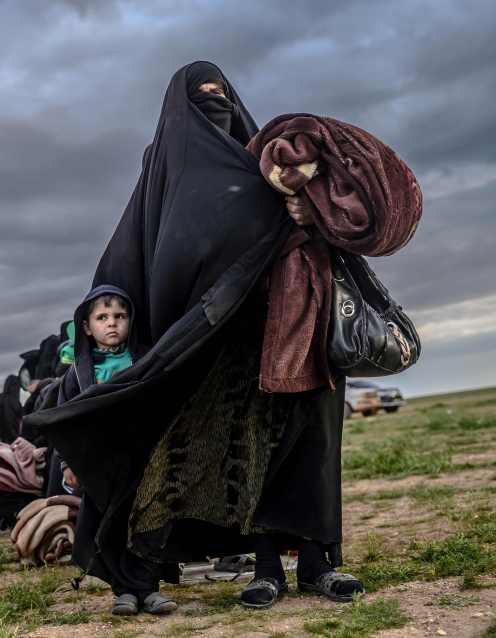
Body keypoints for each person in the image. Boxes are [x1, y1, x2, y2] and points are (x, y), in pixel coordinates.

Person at [24, 61, 363, 613]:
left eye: (221, 93)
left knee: (315, 447)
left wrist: (307, 209)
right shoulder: (165, 167)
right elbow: (152, 251)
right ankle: (267, 567)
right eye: (200, 96)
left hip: (306, 323)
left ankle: (320, 565)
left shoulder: (266, 162)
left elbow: (338, 218)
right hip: (228, 342)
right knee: (250, 455)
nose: (214, 103)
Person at [53, 286, 177, 616]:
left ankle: (149, 589)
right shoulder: (77, 375)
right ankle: (123, 591)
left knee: (148, 523)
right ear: (86, 326)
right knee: (110, 527)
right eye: (102, 317)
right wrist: (69, 463)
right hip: (100, 466)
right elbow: (65, 422)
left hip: (145, 459)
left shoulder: (146, 361)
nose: (112, 324)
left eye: (120, 316)